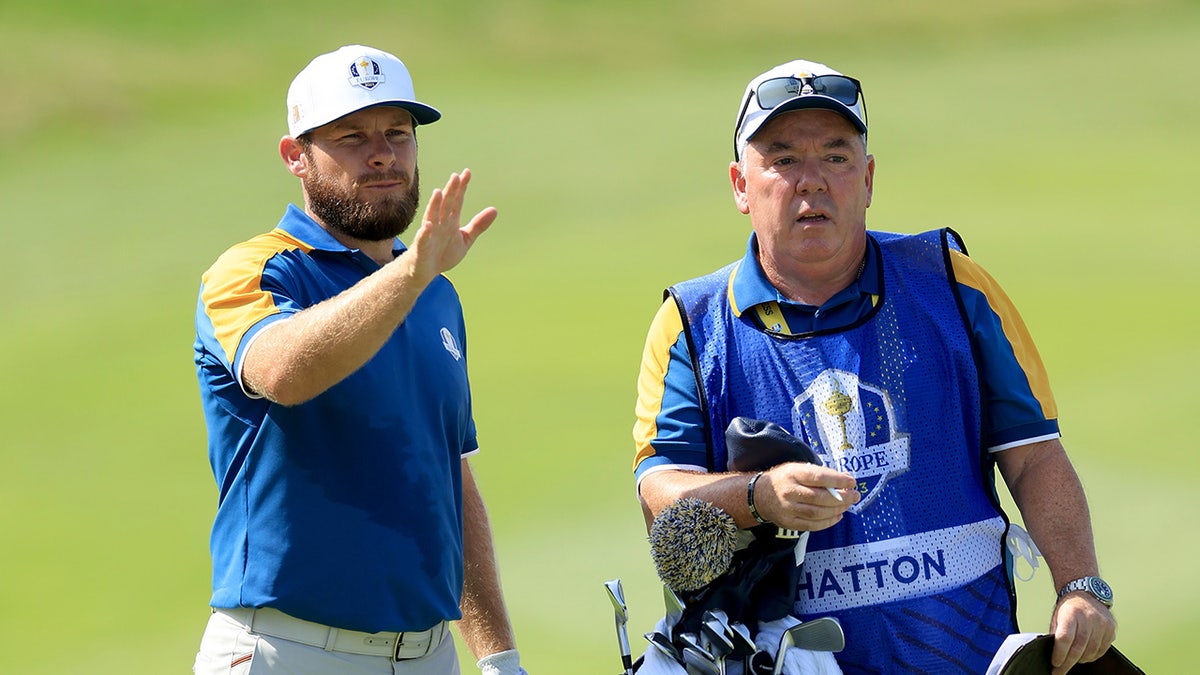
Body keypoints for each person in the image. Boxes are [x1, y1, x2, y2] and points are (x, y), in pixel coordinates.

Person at [631, 59, 1117, 674]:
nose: (812, 181)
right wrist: (757, 496)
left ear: (867, 179)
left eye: (835, 157)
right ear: (739, 185)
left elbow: (1034, 453)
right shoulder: (694, 323)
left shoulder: (955, 285)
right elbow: (660, 492)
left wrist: (1081, 584)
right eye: (783, 159)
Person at [192, 44, 525, 675]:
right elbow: (284, 373)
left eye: (398, 134)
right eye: (351, 137)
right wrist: (411, 276)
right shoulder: (257, 269)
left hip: (428, 653)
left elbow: (448, 476)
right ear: (296, 156)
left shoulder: (435, 291)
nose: (382, 154)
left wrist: (499, 656)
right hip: (287, 651)